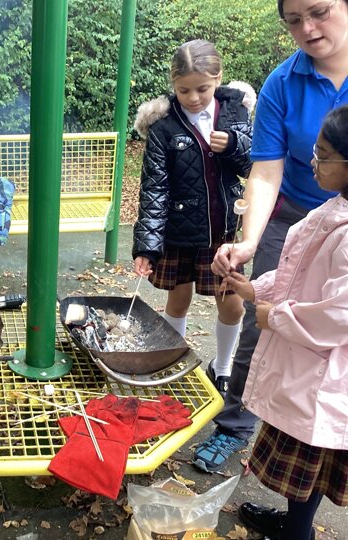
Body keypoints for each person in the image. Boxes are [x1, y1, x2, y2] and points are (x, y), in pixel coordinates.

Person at [194, 0, 348, 474]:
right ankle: (235, 424)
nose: (308, 28)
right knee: (262, 323)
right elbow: (266, 170)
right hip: (298, 219)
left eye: (319, 12)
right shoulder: (283, 82)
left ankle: (320, 436)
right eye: (294, 20)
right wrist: (249, 241)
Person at [220, 105, 348, 540]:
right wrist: (255, 289)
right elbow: (299, 270)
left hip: (327, 378)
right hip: (308, 371)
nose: (313, 162)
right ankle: (296, 526)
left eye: (324, 156)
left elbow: (339, 314)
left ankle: (297, 533)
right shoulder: (332, 207)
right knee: (306, 464)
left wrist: (274, 316)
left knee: (312, 457)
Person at [132, 39, 253, 396]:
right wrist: (147, 246)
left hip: (223, 229)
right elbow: (154, 189)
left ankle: (223, 366)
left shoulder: (236, 113)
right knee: (178, 300)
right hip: (178, 230)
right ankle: (174, 364)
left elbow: (253, 166)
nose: (194, 97)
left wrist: (233, 145)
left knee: (232, 303)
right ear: (173, 84)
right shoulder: (163, 126)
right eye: (183, 90)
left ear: (218, 78)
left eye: (202, 88)